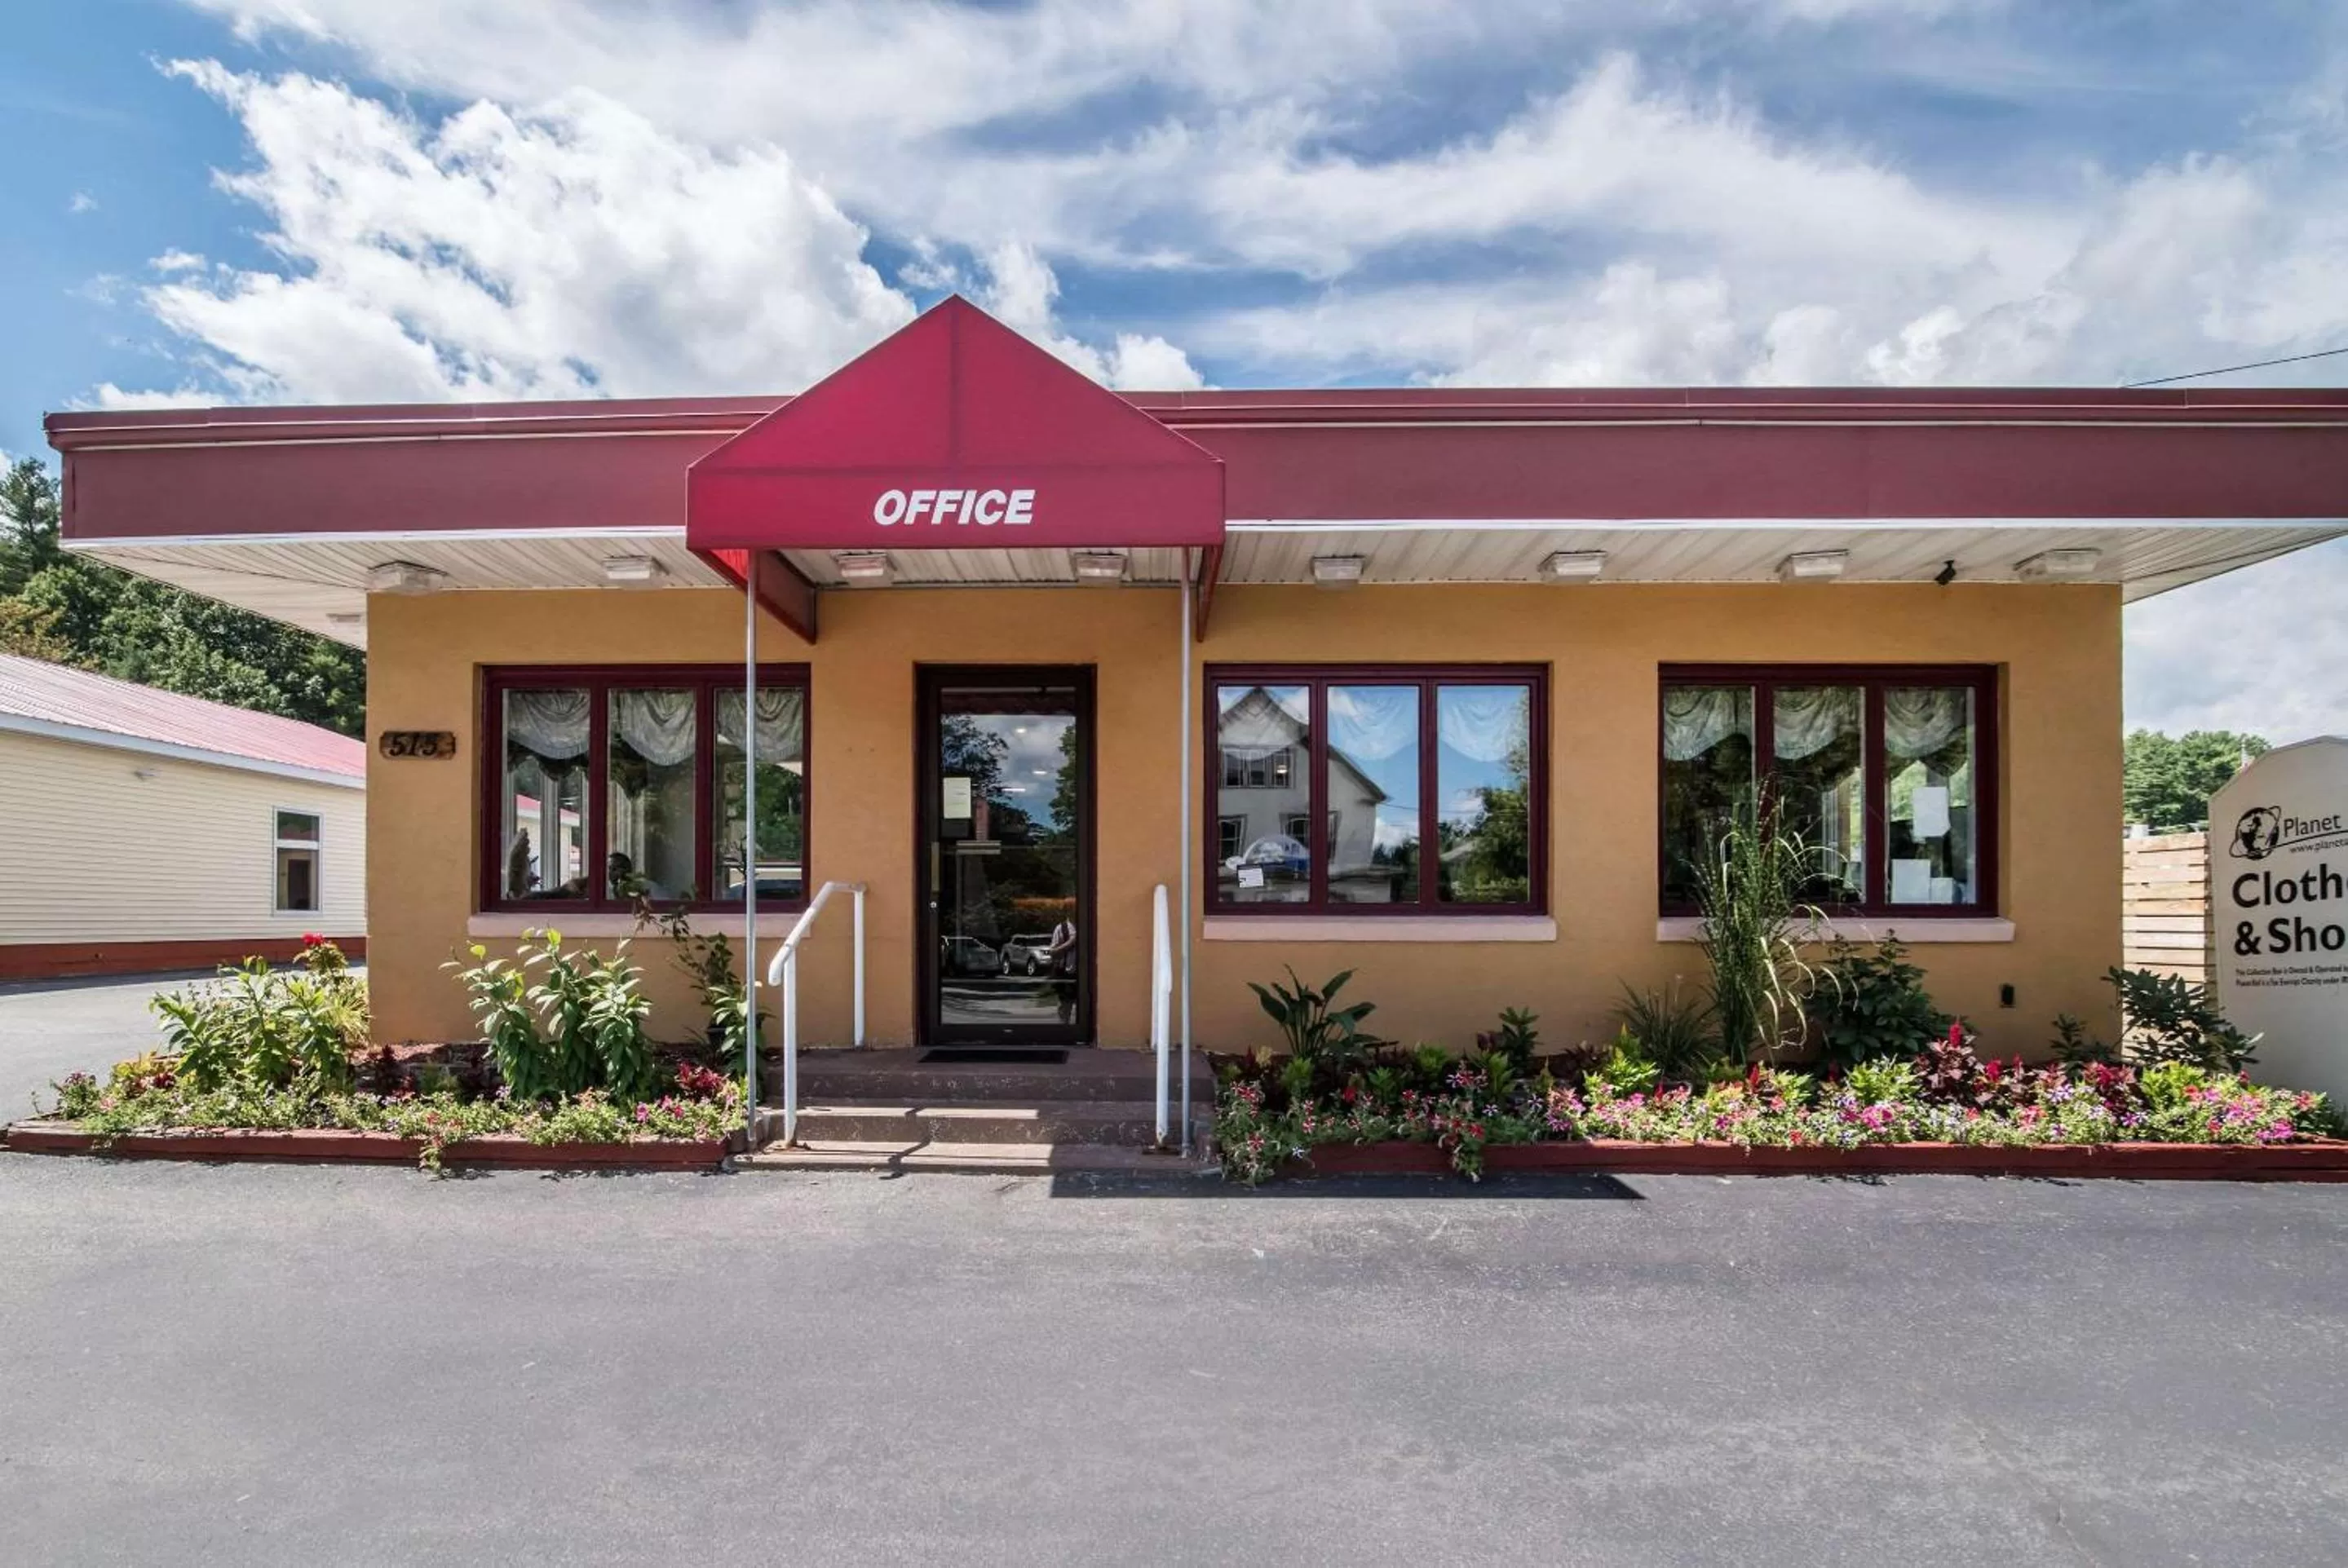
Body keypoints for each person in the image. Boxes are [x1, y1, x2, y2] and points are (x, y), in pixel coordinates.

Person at [1046, 913, 1079, 1027]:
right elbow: (1053, 953)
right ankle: (1065, 1030)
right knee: (1065, 1006)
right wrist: (1070, 943)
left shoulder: (1088, 927)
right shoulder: (1062, 928)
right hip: (1067, 974)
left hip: (1085, 974)